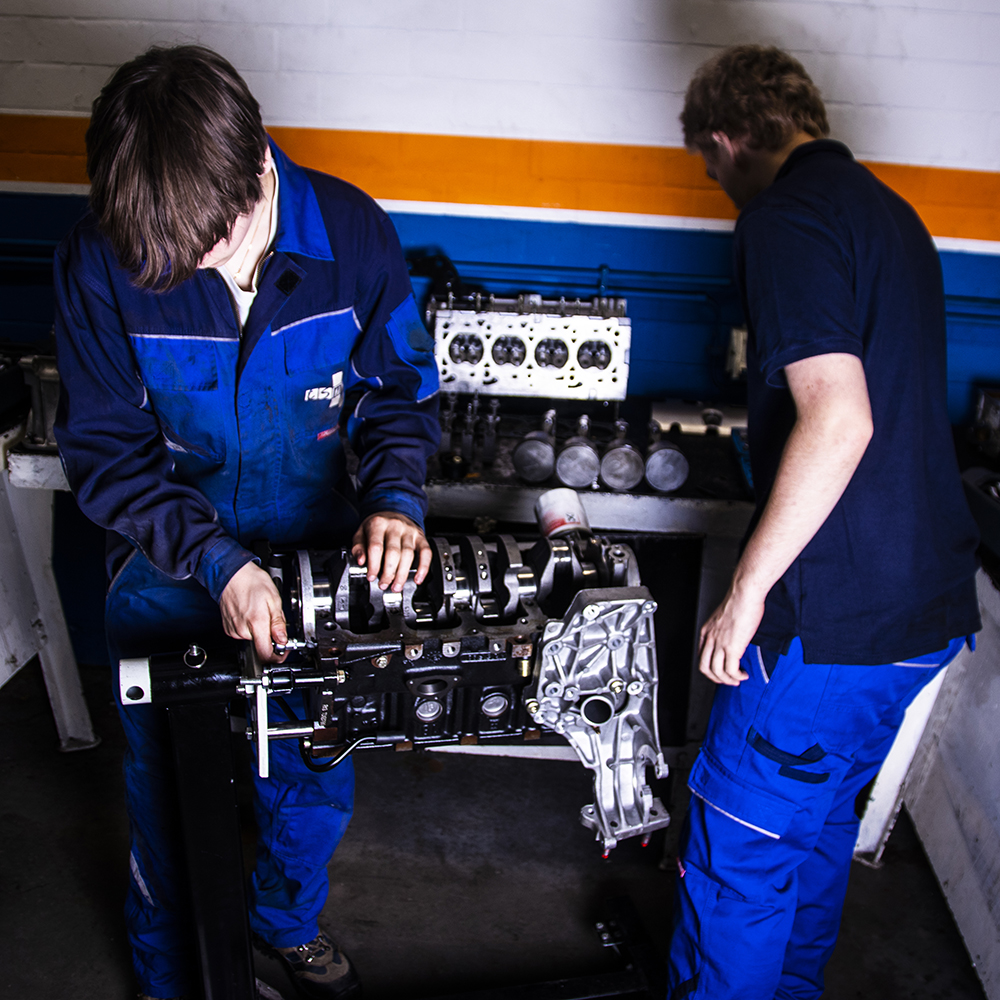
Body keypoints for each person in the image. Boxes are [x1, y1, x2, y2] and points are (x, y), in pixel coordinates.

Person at [53, 46, 440, 1000]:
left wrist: (394, 502)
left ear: (257, 169)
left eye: (207, 248)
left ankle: (284, 924)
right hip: (166, 566)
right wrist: (215, 563)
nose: (191, 270)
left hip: (315, 565)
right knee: (166, 794)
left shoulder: (353, 235)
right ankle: (171, 974)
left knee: (312, 776)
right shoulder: (98, 257)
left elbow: (397, 394)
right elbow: (108, 451)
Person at [668, 45, 981, 1000]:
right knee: (812, 830)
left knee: (740, 854)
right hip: (922, 611)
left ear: (726, 139)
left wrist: (746, 595)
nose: (716, 181)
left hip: (832, 622)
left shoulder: (785, 217)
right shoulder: (892, 214)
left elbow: (840, 419)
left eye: (709, 162)